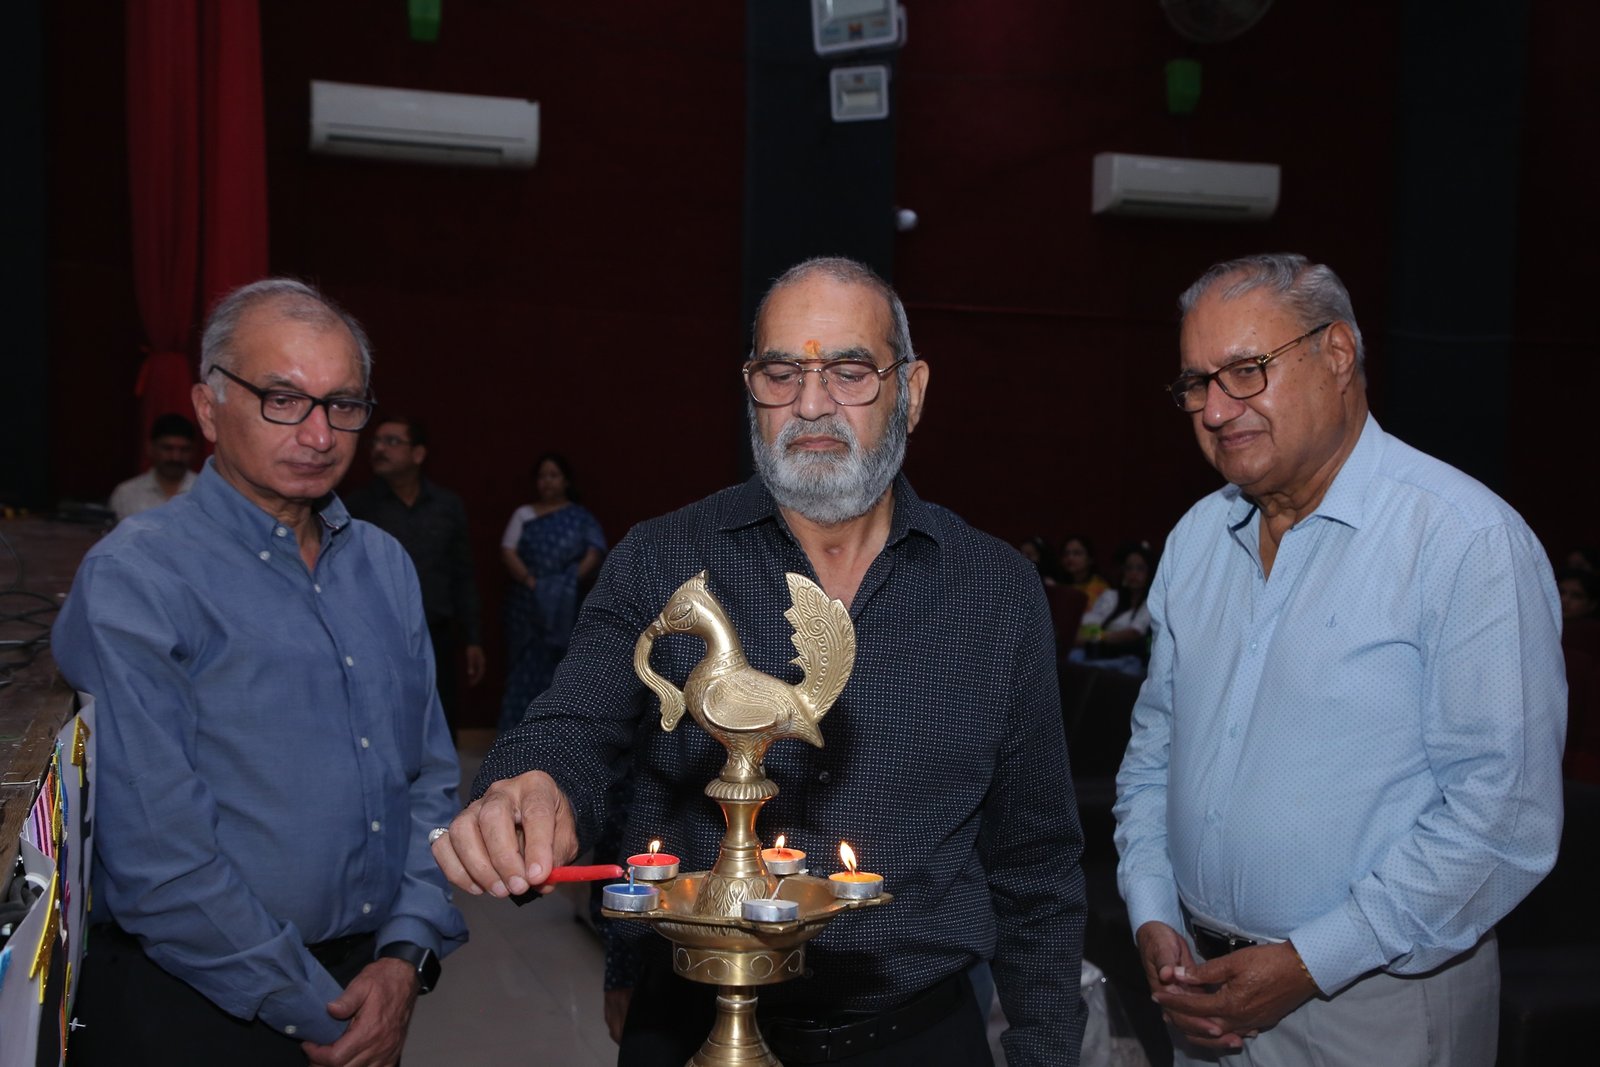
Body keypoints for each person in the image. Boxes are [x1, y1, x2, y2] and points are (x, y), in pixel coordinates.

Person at [434, 256, 1087, 1066]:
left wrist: (1047, 1050)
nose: (811, 404)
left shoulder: (995, 591)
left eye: (850, 371)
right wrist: (528, 784)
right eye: (781, 373)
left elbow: (1036, 864)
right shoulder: (661, 557)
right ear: (751, 389)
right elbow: (572, 725)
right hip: (691, 1019)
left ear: (912, 390)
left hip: (919, 1034)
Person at [1114, 253, 1565, 1066]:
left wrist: (1310, 960)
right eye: (1197, 383)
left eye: (1245, 371)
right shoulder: (1196, 540)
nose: (1215, 409)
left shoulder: (1462, 540)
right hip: (1200, 989)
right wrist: (1153, 911)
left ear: (1337, 354)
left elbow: (1502, 819)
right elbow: (1155, 752)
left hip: (1377, 1006)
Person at [52, 278, 467, 1067]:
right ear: (209, 408)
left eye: (343, 404)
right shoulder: (138, 577)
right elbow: (160, 861)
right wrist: (324, 1013)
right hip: (197, 1002)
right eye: (283, 399)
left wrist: (404, 956)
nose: (319, 433)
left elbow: (430, 780)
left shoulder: (383, 565)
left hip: (370, 980)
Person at [346, 415, 486, 739]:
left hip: (437, 633)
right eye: (376, 442)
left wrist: (473, 638)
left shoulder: (447, 505)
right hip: (378, 635)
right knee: (385, 725)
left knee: (440, 724)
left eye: (392, 441)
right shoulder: (356, 508)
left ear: (418, 454)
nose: (379, 449)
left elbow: (463, 573)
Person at [496, 452, 606, 734]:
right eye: (542, 476)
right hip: (527, 606)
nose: (547, 482)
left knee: (563, 670)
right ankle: (516, 737)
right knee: (524, 669)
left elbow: (595, 550)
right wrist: (531, 581)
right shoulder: (524, 514)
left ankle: (558, 736)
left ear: (566, 480)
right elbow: (508, 551)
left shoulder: (579, 517)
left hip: (567, 605)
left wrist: (567, 582)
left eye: (553, 475)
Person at [1071, 540, 1156, 676]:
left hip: (1128, 658)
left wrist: (1098, 636)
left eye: (1140, 568)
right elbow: (1089, 624)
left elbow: (1134, 633)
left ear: (1149, 573)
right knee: (1074, 656)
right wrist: (1096, 637)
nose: (1133, 574)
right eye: (1129, 568)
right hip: (1097, 653)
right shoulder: (1111, 596)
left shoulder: (1152, 602)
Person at [108, 410, 198, 520]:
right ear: (150, 448)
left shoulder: (205, 490)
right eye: (168, 448)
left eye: (184, 450)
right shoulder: (126, 494)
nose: (176, 457)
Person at [1058, 534, 1109, 605]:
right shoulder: (1057, 586)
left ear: (1090, 559)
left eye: (1077, 553)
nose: (1070, 558)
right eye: (1066, 554)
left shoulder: (1101, 587)